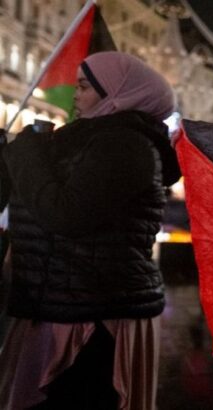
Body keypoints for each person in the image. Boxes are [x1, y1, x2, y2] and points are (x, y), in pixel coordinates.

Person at [0, 51, 180, 409]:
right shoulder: (81, 140)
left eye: (84, 87)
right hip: (54, 308)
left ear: (118, 93)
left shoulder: (126, 145)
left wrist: (26, 156)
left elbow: (65, 214)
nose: (75, 96)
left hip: (91, 320)